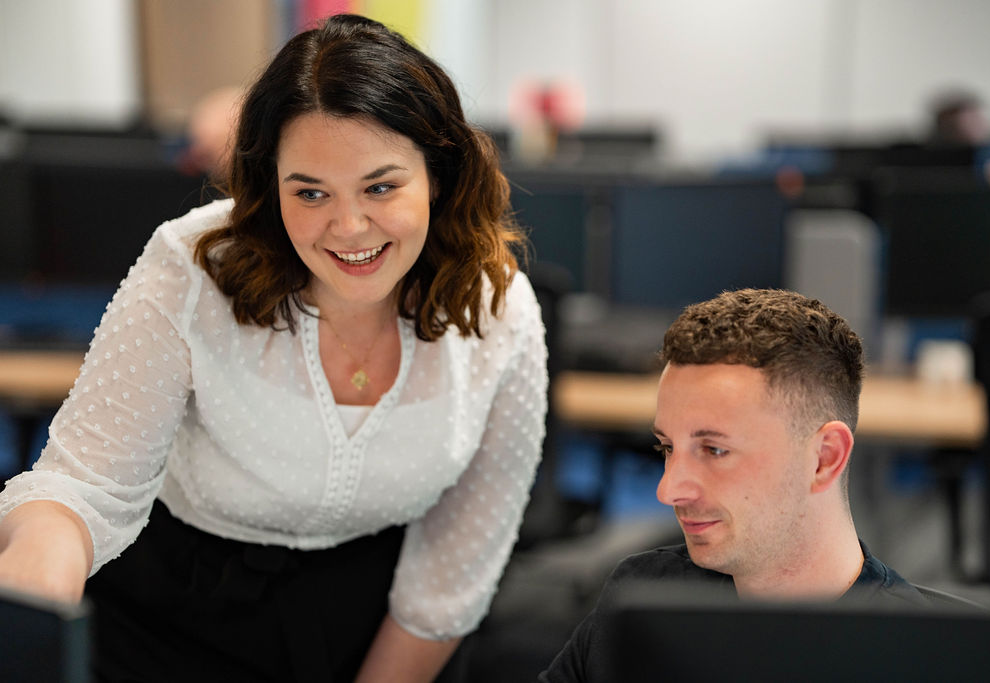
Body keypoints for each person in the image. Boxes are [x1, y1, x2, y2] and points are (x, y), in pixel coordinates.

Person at [0, 14, 547, 683]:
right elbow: (81, 488)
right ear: (269, 186)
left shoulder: (498, 309)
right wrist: (30, 623)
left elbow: (453, 572)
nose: (348, 226)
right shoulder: (194, 269)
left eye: (381, 186)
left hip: (381, 631)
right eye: (310, 191)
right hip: (171, 623)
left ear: (438, 173)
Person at [540, 289, 931, 682]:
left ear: (824, 458)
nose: (668, 490)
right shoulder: (646, 597)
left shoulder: (916, 657)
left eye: (714, 450)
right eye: (668, 448)